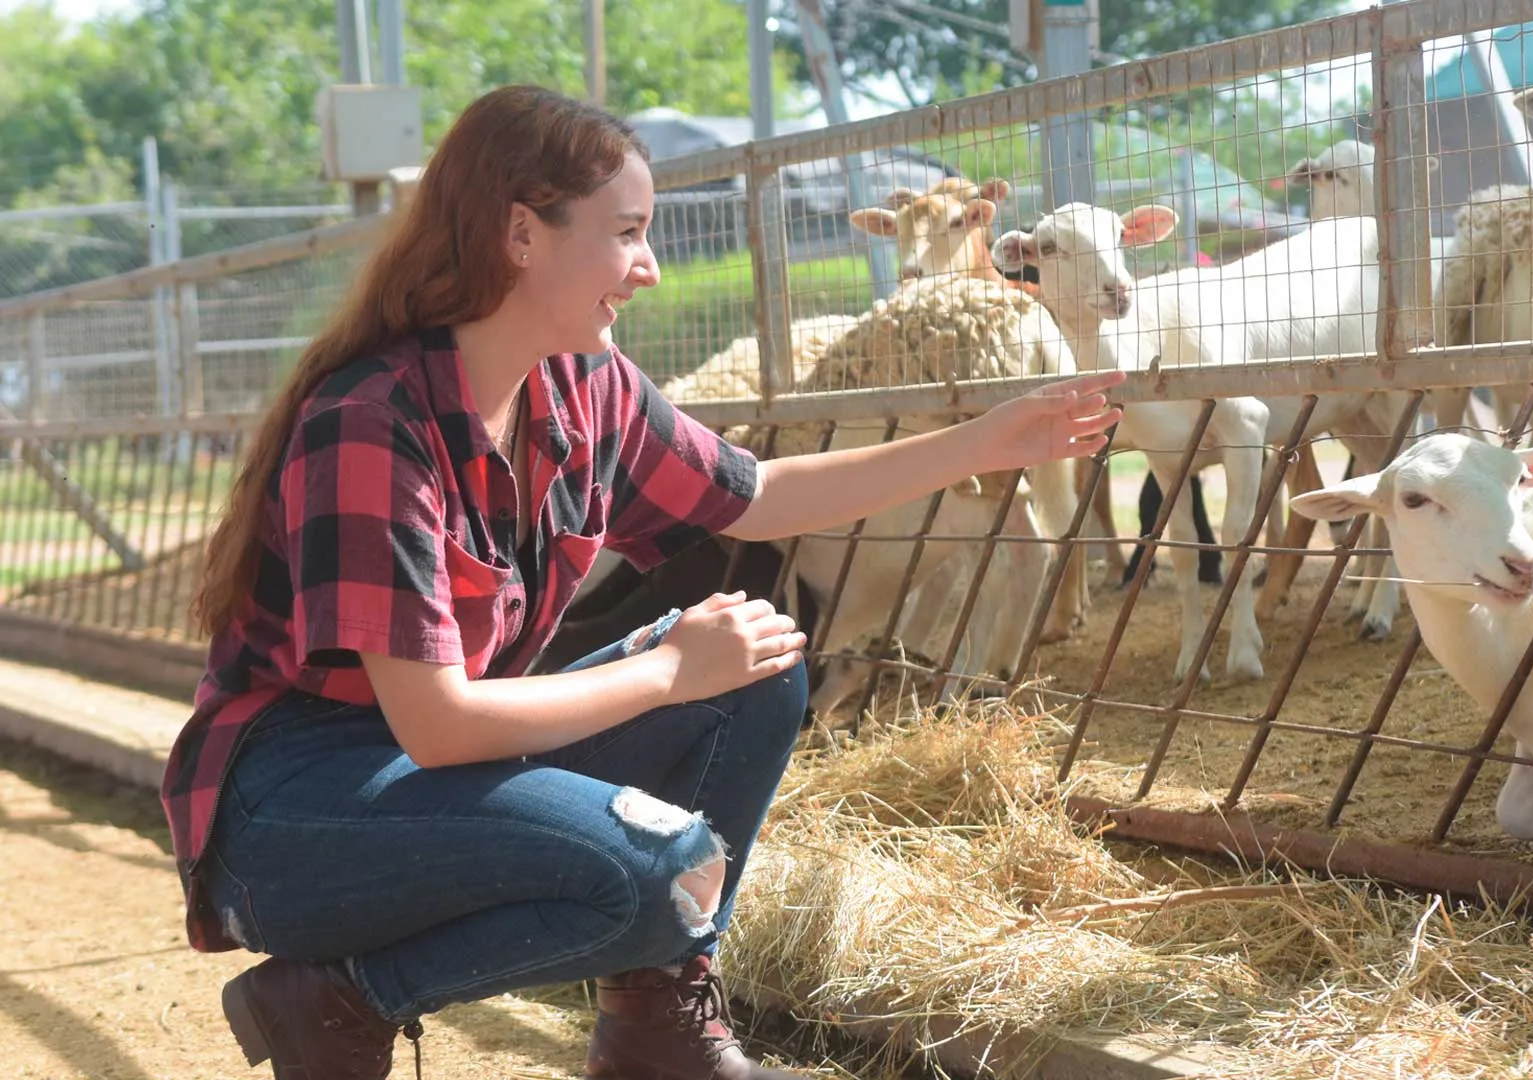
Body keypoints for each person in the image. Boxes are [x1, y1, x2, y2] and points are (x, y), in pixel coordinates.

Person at [160, 84, 1122, 1080]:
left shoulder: (582, 386)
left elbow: (760, 494)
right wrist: (666, 671)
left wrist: (990, 435)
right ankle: (340, 995)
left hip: (432, 769)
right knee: (660, 869)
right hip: (296, 813)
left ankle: (656, 1025)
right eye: (627, 234)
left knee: (755, 660)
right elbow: (437, 724)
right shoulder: (372, 421)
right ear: (521, 234)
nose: (650, 268)